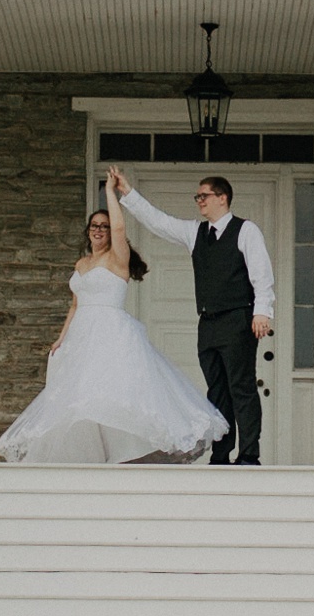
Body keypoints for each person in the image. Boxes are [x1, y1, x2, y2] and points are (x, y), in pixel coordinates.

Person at [0, 171, 229, 465]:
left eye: (104, 226)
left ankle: (120, 458)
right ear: (88, 230)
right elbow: (75, 304)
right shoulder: (82, 263)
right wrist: (61, 338)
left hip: (110, 334)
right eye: (95, 226)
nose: (100, 230)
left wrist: (110, 192)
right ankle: (92, 459)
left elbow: (119, 228)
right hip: (81, 336)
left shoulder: (118, 258)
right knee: (80, 400)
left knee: (108, 396)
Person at [110, 165, 274, 466]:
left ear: (222, 198)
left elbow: (261, 273)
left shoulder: (245, 230)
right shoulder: (194, 232)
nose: (199, 201)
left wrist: (262, 311)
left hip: (238, 319)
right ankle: (221, 455)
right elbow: (158, 222)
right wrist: (128, 193)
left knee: (242, 388)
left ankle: (249, 454)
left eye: (204, 196)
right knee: (217, 392)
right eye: (197, 196)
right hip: (208, 324)